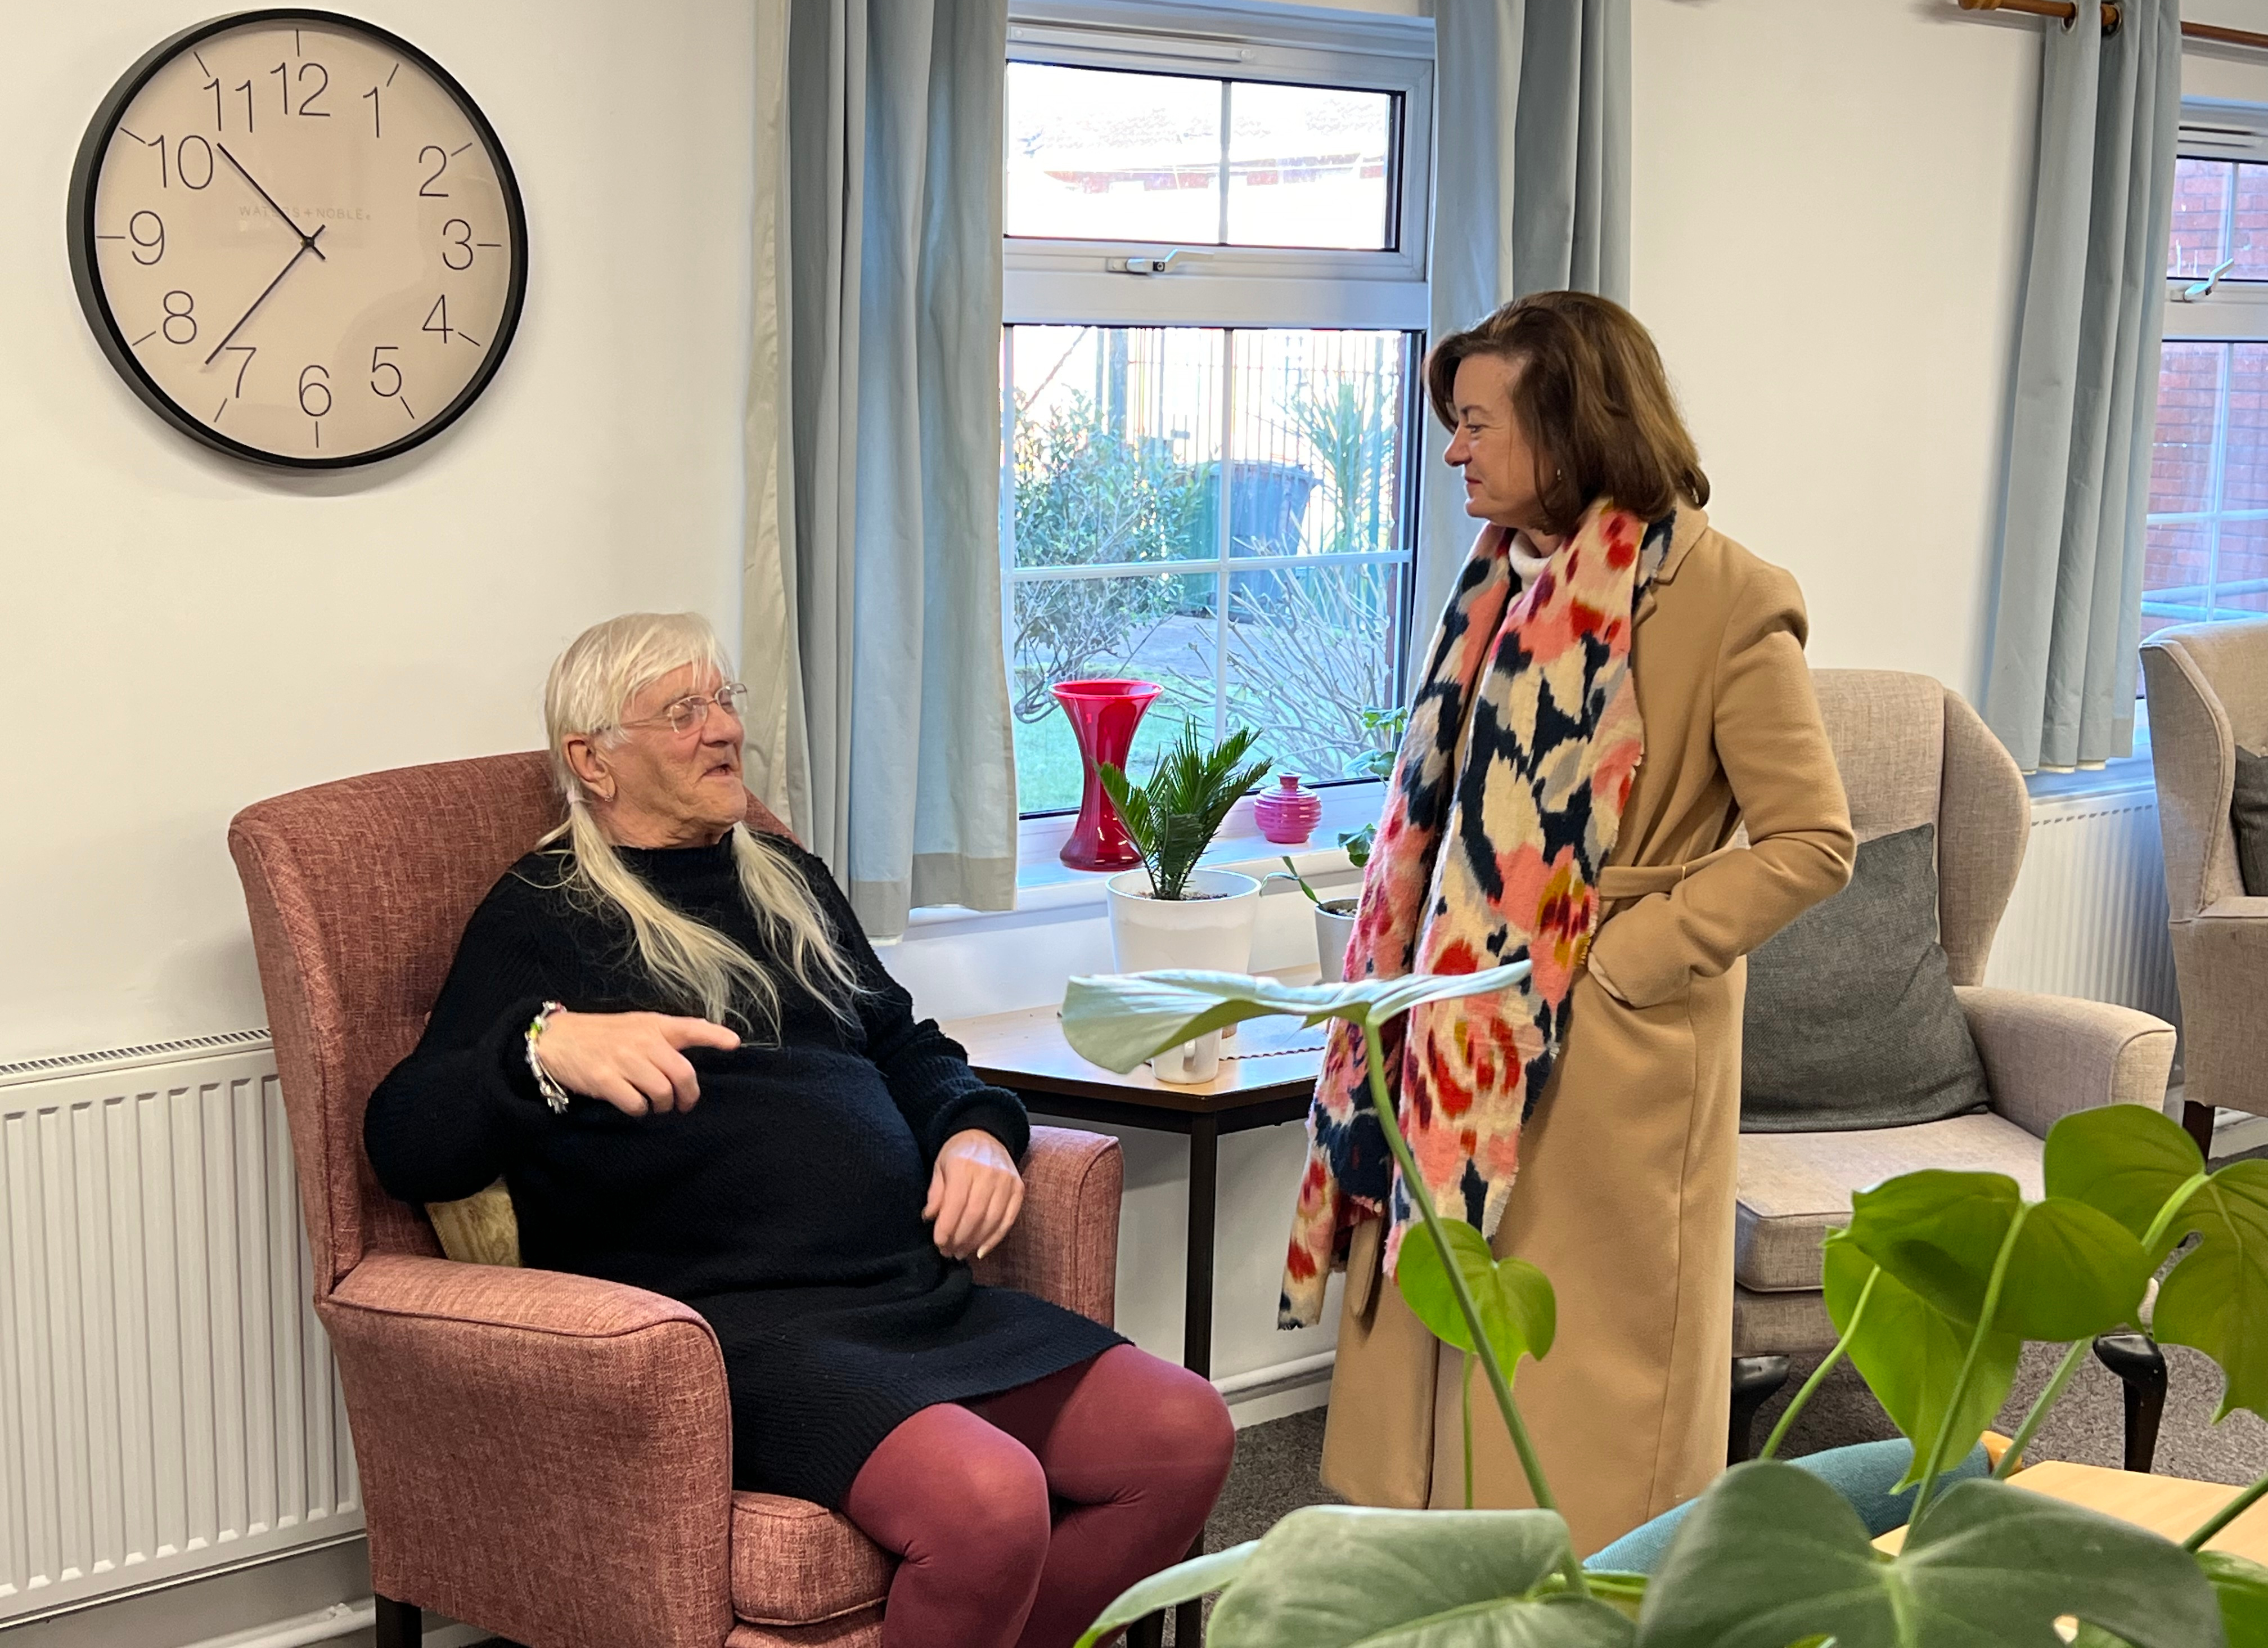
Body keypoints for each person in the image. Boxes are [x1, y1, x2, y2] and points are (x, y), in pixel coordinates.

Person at [365, 612, 1232, 1648]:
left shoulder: (790, 880)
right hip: (734, 1326)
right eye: (682, 712)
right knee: (987, 1503)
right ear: (592, 761)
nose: (724, 730)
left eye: (723, 700)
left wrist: (975, 1134)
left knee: (1185, 1435)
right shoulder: (543, 913)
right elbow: (404, 1136)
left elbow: (907, 1045)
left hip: (907, 1295)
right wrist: (542, 1050)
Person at [1280, 292, 1856, 1555]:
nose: (1453, 451)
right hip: (1450, 1023)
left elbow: (1815, 842)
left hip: (1615, 1058)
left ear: (1570, 421)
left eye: (1478, 422)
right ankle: (1445, 1579)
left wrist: (1625, 964)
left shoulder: (1729, 597)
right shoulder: (1498, 574)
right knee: (1450, 1336)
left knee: (1586, 1389)